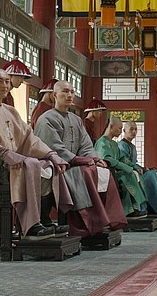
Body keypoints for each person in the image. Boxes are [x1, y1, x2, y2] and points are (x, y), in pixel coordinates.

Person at [0, 68, 72, 240]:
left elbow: (29, 138)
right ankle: (31, 226)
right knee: (31, 165)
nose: (5, 85)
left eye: (7, 81)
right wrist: (5, 154)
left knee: (49, 166)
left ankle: (42, 220)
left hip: (13, 163)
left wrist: (51, 154)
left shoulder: (11, 111)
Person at [34, 81, 127, 237]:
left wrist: (95, 158)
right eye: (65, 91)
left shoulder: (76, 119)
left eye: (72, 92)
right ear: (55, 95)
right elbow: (54, 148)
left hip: (74, 163)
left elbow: (86, 144)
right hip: (55, 164)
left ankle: (105, 220)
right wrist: (78, 160)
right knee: (85, 173)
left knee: (101, 171)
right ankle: (85, 224)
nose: (69, 95)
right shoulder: (46, 119)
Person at [93, 117, 149, 218]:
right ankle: (128, 210)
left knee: (131, 173)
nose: (120, 131)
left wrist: (134, 166)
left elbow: (123, 159)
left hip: (115, 172)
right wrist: (126, 168)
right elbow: (107, 160)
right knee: (126, 176)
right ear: (111, 127)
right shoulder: (102, 143)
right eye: (119, 128)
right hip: (106, 173)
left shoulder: (114, 144)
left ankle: (135, 208)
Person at [117, 121, 157, 214]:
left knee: (155, 173)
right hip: (128, 173)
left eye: (136, 129)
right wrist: (136, 168)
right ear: (124, 130)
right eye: (131, 129)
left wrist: (143, 168)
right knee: (150, 176)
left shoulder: (132, 146)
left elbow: (134, 162)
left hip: (135, 170)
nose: (134, 131)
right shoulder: (122, 145)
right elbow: (124, 161)